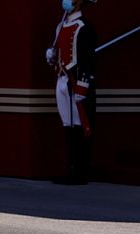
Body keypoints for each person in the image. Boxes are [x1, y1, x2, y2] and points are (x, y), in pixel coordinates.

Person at [46, 0, 97, 184]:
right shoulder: (62, 25)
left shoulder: (83, 27)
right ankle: (70, 169)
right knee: (67, 126)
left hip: (74, 83)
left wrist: (83, 86)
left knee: (78, 127)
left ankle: (80, 172)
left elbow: (87, 59)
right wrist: (52, 57)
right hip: (62, 80)